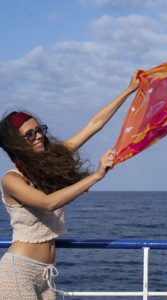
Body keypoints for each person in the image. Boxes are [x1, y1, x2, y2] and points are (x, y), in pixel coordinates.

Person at [0, 69, 143, 300]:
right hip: (19, 273)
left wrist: (128, 91)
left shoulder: (50, 163)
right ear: (16, 144)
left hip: (46, 275)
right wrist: (96, 176)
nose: (38, 136)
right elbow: (49, 202)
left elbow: (94, 125)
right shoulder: (12, 180)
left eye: (39, 130)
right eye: (29, 135)